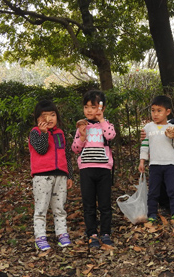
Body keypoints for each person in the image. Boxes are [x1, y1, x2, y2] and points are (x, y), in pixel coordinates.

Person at [72, 90, 116, 248]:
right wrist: (82, 137)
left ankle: (105, 233)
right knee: (89, 204)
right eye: (86, 107)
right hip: (86, 169)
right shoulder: (81, 127)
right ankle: (92, 234)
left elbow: (111, 136)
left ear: (101, 108)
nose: (89, 110)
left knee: (104, 204)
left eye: (93, 106)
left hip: (104, 169)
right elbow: (75, 149)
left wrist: (102, 119)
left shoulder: (106, 125)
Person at [29, 100, 73, 251]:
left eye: (52, 115)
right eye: (44, 116)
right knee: (41, 208)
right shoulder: (35, 132)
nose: (48, 119)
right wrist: (43, 133)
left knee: (59, 207)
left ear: (57, 117)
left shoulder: (60, 133)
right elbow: (41, 149)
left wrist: (70, 175)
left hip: (60, 175)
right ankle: (40, 237)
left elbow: (66, 155)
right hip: (42, 176)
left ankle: (62, 234)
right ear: (37, 119)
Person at [139, 95, 174, 226]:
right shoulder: (148, 128)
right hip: (155, 164)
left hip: (170, 164)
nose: (155, 114)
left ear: (167, 112)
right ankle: (152, 214)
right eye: (153, 110)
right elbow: (145, 145)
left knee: (172, 190)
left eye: (159, 110)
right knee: (153, 190)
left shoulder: (172, 127)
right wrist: (142, 161)